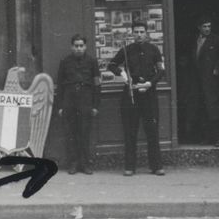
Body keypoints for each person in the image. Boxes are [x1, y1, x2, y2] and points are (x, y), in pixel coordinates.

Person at [108, 21, 166, 177]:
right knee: (130, 132)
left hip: (149, 95)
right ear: (132, 33)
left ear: (146, 33)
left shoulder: (154, 50)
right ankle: (130, 167)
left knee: (152, 131)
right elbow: (111, 65)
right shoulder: (126, 50)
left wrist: (150, 83)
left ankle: (156, 166)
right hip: (130, 96)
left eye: (142, 32)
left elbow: (161, 71)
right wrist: (123, 75)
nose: (139, 35)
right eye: (136, 32)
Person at [56, 34, 100, 175]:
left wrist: (95, 105)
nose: (79, 48)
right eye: (76, 46)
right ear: (72, 47)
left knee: (85, 133)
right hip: (70, 101)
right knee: (71, 133)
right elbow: (60, 85)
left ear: (85, 47)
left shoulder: (92, 62)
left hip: (86, 101)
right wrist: (61, 106)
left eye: (81, 46)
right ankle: (73, 163)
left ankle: (85, 164)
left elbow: (97, 84)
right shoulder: (65, 62)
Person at [191, 16, 219, 147]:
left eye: (209, 26)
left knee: (214, 109)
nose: (207, 29)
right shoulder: (195, 40)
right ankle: (207, 137)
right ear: (199, 28)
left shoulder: (216, 39)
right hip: (198, 80)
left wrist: (217, 69)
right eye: (204, 26)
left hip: (212, 81)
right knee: (202, 108)